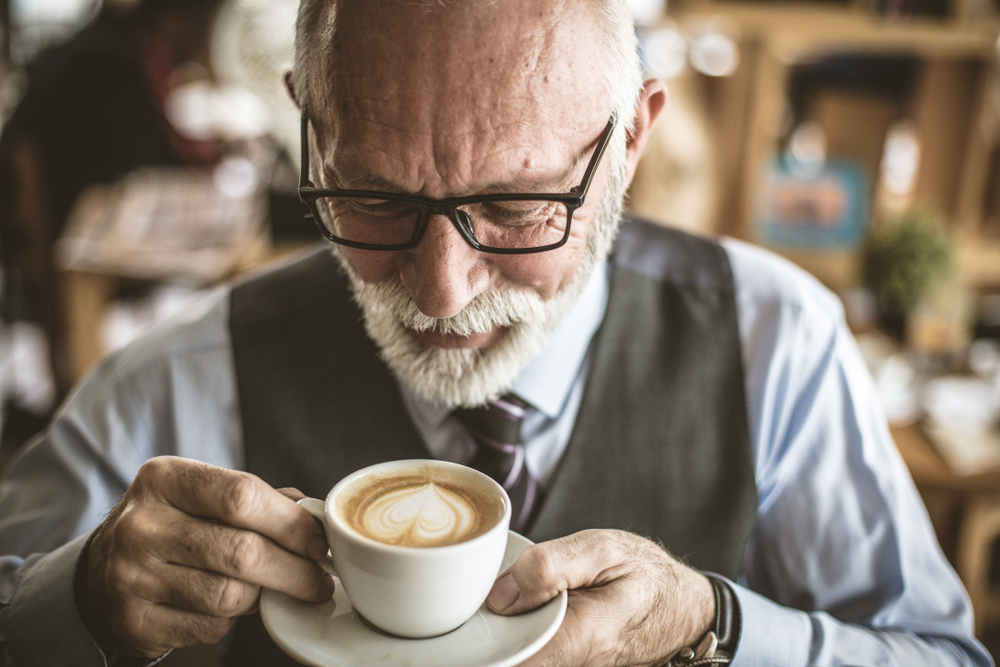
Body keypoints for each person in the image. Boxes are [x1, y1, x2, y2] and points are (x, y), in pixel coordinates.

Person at [0, 0, 992, 665]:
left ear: (632, 139)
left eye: (518, 207)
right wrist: (80, 594)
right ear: (311, 127)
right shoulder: (180, 377)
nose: (440, 289)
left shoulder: (779, 344)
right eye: (373, 197)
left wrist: (716, 623)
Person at [0, 0, 225, 399]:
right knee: (223, 254)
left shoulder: (94, 45)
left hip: (46, 221)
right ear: (173, 18)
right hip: (67, 233)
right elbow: (150, 157)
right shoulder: (112, 61)